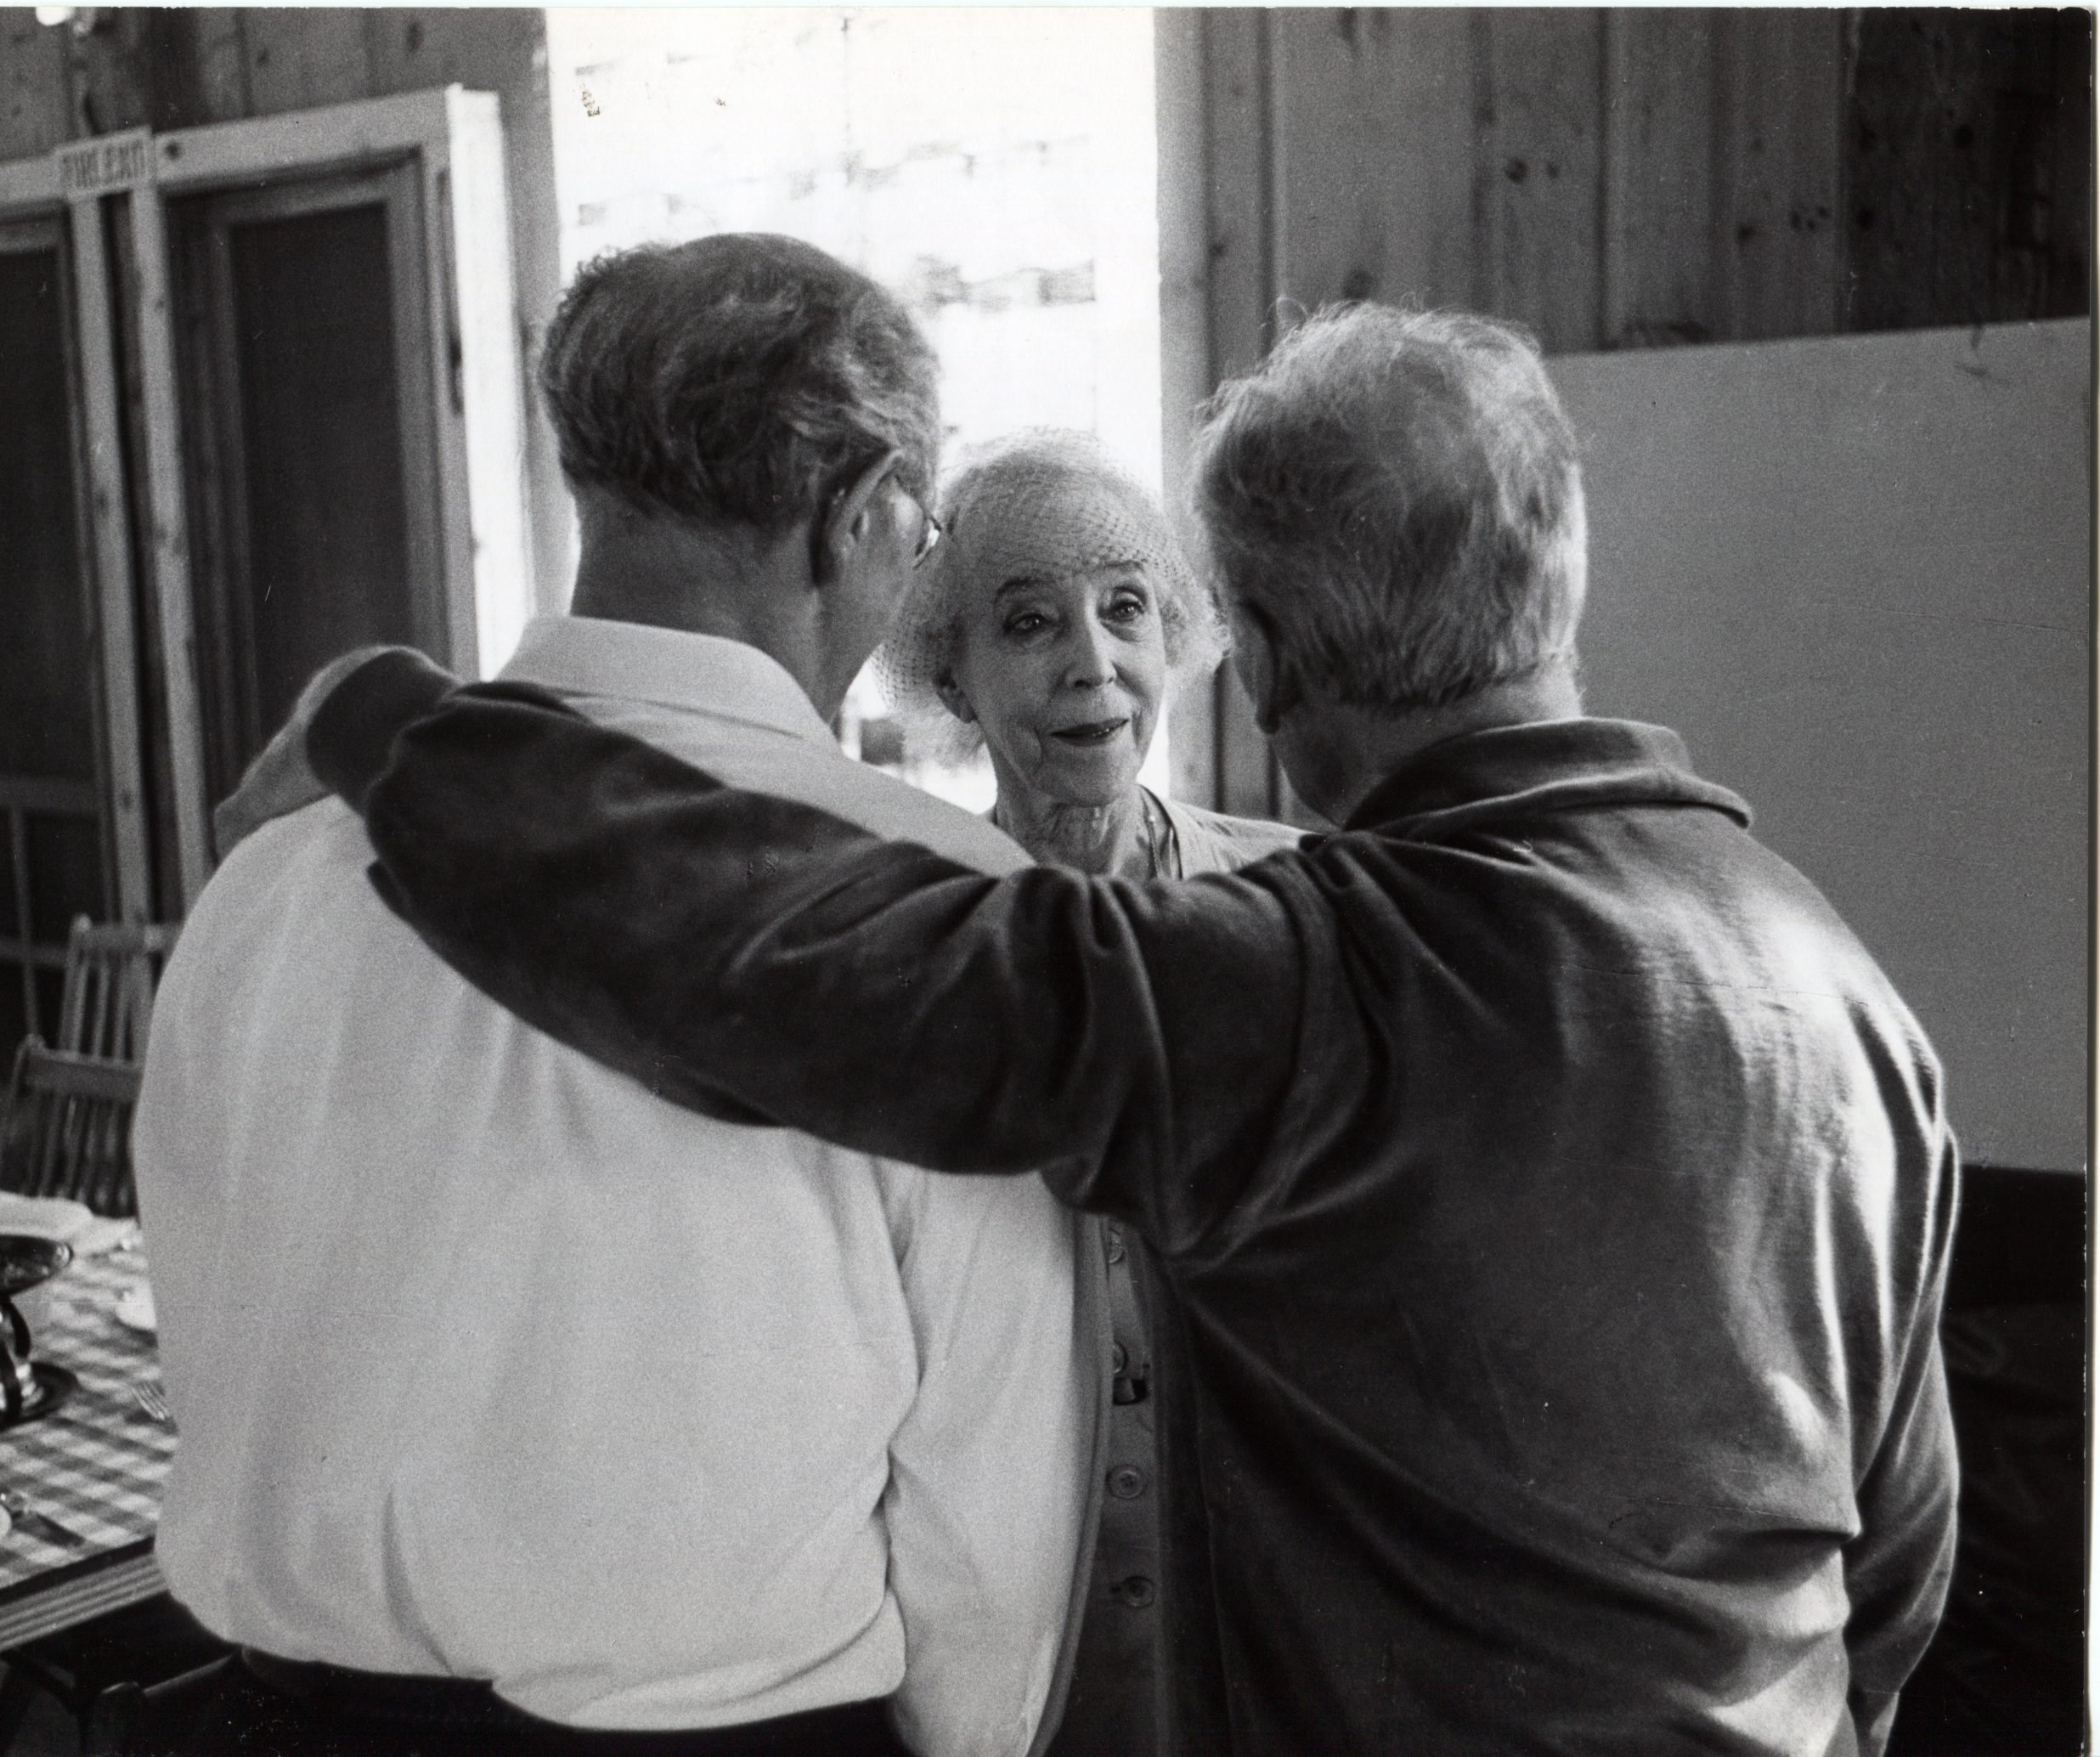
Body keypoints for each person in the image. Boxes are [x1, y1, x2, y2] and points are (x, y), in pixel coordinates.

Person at [290, 304, 1960, 1756]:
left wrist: (373, 712)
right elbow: (1900, 1569)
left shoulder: (1301, 983)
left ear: (1266, 656)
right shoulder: (1845, 993)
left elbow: (750, 942)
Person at [132, 234, 1109, 1757]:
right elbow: (987, 1514)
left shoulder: (277, 872)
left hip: (260, 1716)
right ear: (856, 517)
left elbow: (199, 1309)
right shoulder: (927, 905)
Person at [874, 428, 1299, 1754]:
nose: (1090, 661)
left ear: (1178, 632)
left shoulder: (1301, 908)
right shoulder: (909, 946)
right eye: (1028, 622)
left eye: (1126, 609)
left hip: (1263, 1603)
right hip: (1002, 1629)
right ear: (952, 671)